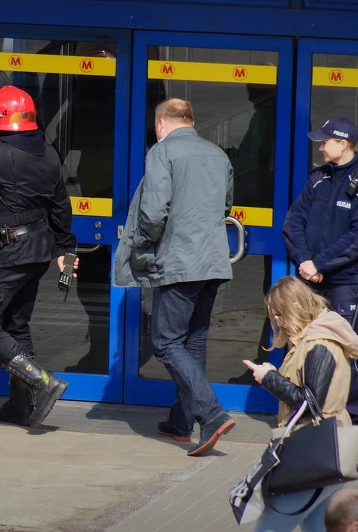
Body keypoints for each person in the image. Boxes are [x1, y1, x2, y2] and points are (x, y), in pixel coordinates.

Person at [113, 98, 236, 456]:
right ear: (191, 121)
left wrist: (143, 244)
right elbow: (226, 205)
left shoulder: (161, 152)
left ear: (160, 125)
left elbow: (152, 212)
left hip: (178, 261)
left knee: (166, 342)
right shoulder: (218, 154)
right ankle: (182, 422)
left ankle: (211, 415)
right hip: (213, 261)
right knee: (193, 342)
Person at [0, 86, 76, 428]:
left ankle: (42, 382)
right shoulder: (49, 152)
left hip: (12, 248)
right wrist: (66, 250)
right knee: (16, 324)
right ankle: (20, 404)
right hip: (39, 247)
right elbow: (61, 207)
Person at [240, 277, 358, 532]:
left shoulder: (319, 343)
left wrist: (269, 378)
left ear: (294, 306)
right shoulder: (314, 336)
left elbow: (310, 404)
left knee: (269, 527)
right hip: (323, 447)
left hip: (315, 449)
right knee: (318, 525)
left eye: (279, 315)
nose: (278, 323)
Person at [283, 116, 358, 454]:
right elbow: (294, 221)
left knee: (348, 356)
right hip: (309, 278)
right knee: (301, 350)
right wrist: (304, 262)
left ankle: (355, 432)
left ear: (345, 144)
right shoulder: (317, 179)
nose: (321, 146)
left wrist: (320, 263)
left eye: (326, 141)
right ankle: (304, 420)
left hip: (344, 281)